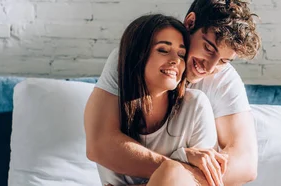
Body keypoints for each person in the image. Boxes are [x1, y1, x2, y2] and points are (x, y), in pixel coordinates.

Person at [84, 0, 262, 185]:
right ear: (190, 23)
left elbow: (245, 163)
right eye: (208, 48)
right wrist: (173, 170)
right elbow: (99, 144)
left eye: (223, 61)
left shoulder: (221, 84)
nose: (209, 67)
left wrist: (171, 178)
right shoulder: (130, 59)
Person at [92, 13, 220, 186]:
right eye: (163, 50)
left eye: (181, 54)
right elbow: (99, 152)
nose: (175, 60)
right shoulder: (112, 109)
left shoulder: (196, 106)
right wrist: (180, 161)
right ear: (138, 55)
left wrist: (174, 165)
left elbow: (206, 181)